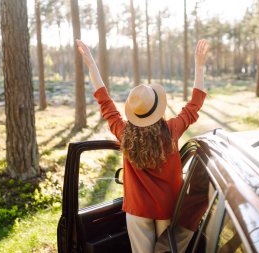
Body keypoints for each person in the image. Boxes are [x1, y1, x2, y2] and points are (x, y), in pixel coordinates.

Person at [76, 38, 210, 253]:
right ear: (158, 108)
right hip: (168, 208)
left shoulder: (124, 133)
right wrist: (200, 65)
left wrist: (91, 63)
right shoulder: (172, 130)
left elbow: (105, 101)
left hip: (137, 211)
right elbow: (194, 105)